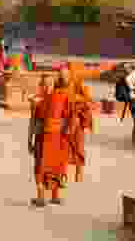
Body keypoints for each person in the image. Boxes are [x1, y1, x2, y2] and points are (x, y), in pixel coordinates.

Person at [29, 72, 72, 207]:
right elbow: (33, 122)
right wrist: (29, 139)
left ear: (54, 85)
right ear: (40, 86)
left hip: (56, 137)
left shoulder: (60, 98)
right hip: (41, 137)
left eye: (49, 84)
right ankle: (40, 197)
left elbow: (67, 117)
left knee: (56, 165)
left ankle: (55, 196)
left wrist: (64, 131)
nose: (47, 86)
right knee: (40, 166)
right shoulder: (37, 100)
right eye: (44, 84)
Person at [67, 71, 94, 183]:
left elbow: (88, 108)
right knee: (72, 149)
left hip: (77, 126)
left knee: (78, 149)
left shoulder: (82, 96)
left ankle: (78, 174)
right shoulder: (68, 93)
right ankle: (75, 175)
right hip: (69, 125)